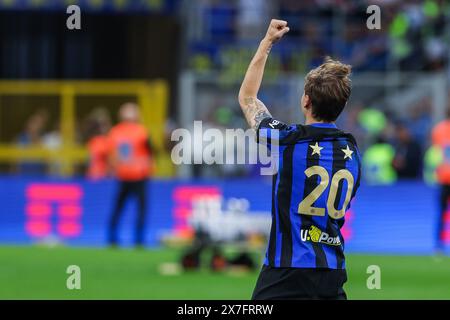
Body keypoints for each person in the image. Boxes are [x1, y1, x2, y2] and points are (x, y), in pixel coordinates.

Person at [238, 19, 361, 300]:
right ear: (341, 106)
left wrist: (266, 43)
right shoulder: (352, 152)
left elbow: (247, 98)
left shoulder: (287, 139)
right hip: (331, 272)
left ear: (305, 100)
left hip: (287, 271)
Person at [107, 103, 155, 248]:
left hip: (124, 174)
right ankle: (139, 240)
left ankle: (112, 238)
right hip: (139, 175)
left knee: (118, 207)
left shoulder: (115, 132)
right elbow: (150, 150)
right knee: (140, 208)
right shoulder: (142, 131)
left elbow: (111, 154)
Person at [431, 108, 450, 252]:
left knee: (442, 212)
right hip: (444, 178)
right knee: (441, 212)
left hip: (443, 177)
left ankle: (438, 244)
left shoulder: (438, 130)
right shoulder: (439, 130)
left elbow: (436, 154)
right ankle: (438, 243)